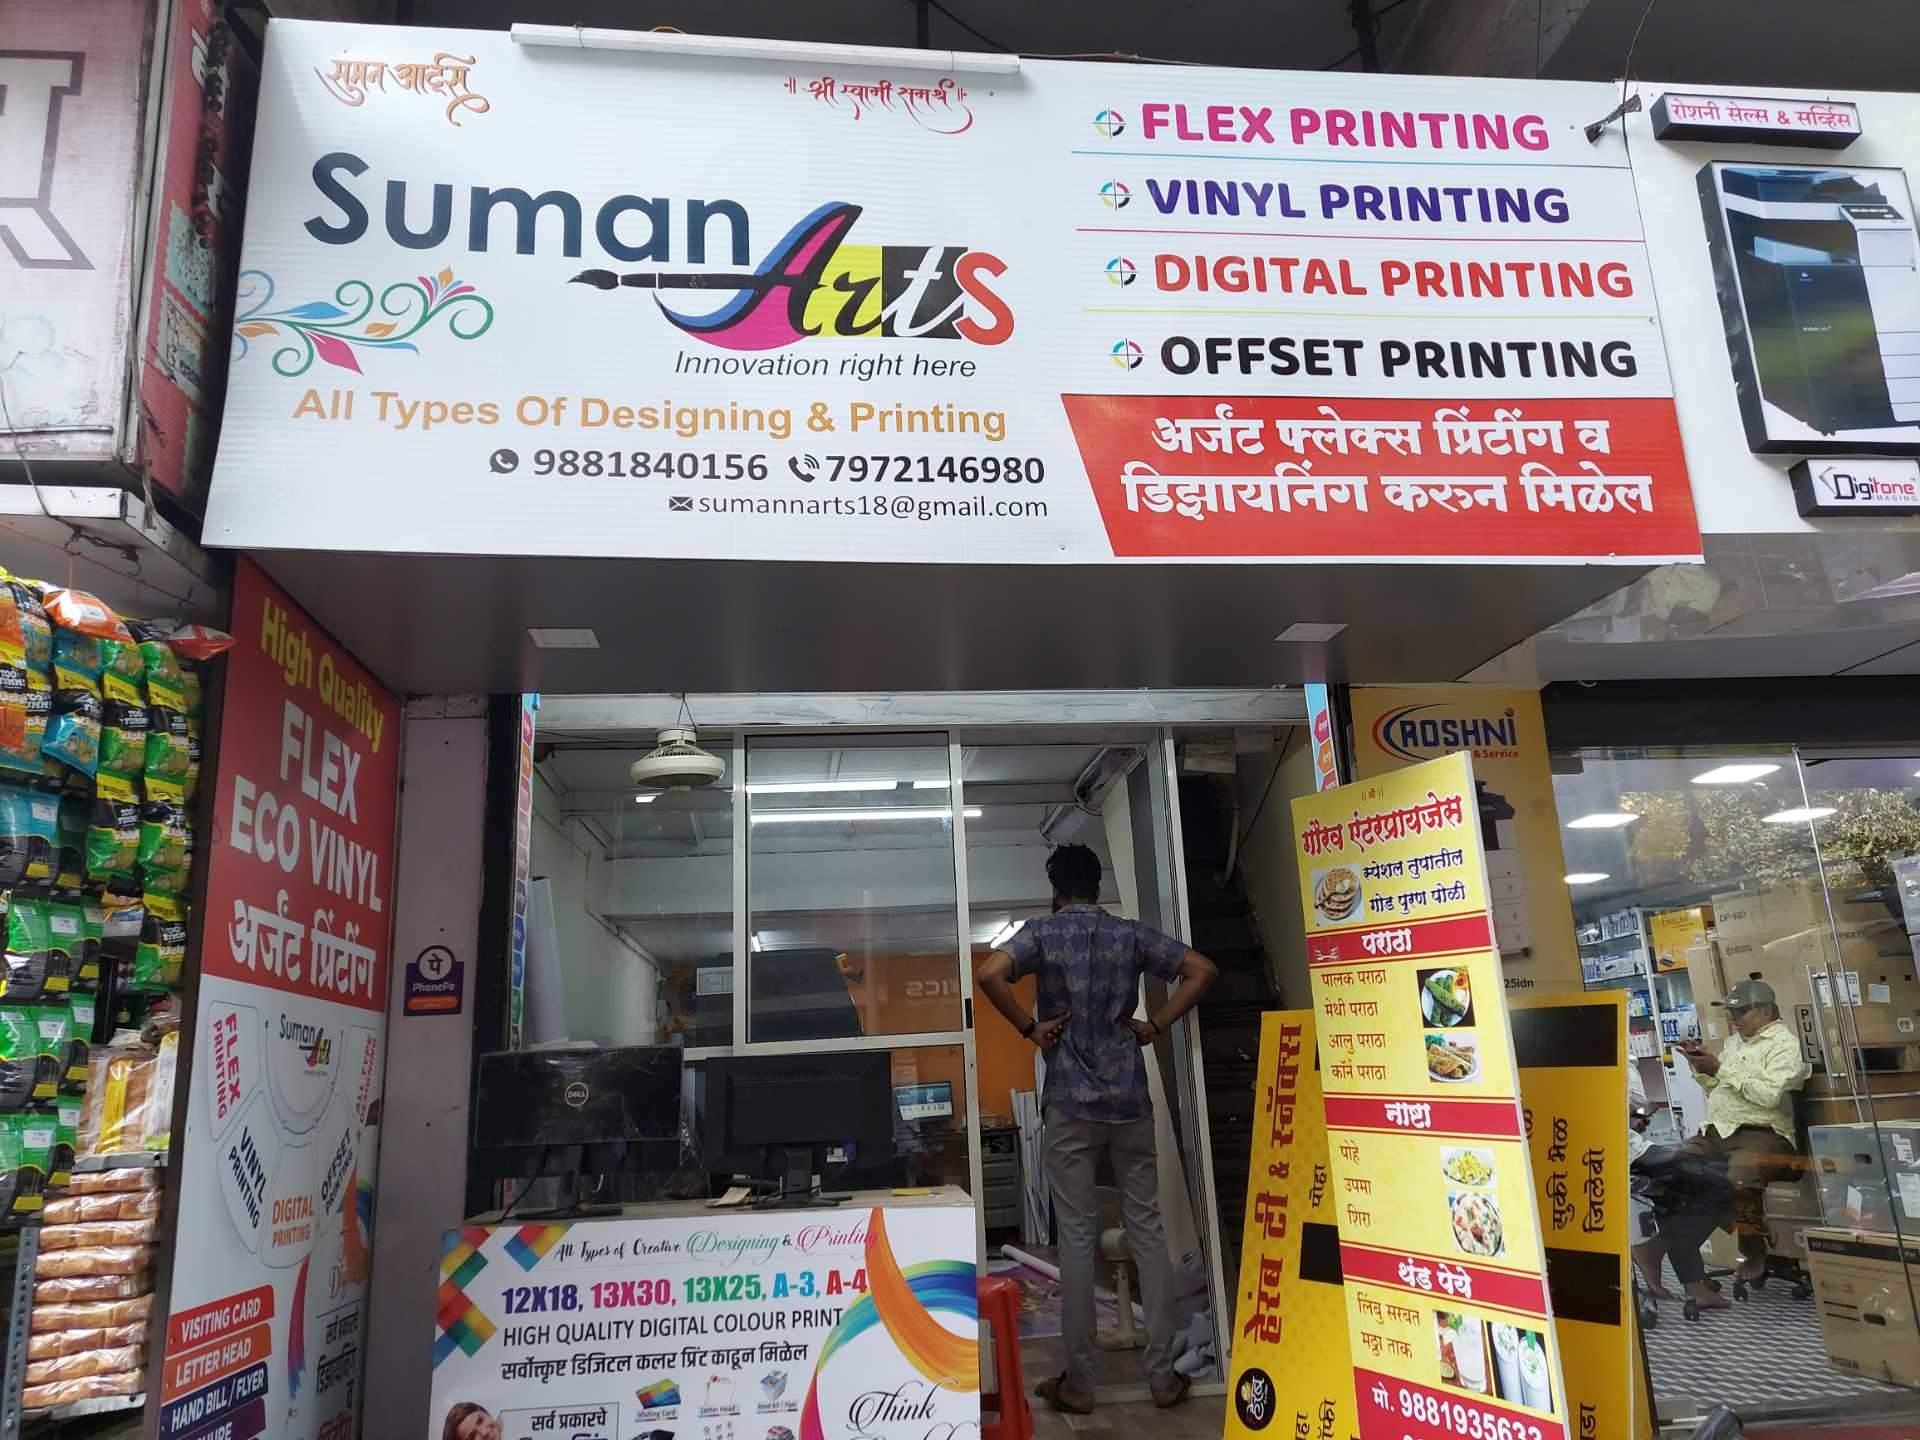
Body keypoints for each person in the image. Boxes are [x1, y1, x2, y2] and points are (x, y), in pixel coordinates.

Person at [974, 843, 1218, 1416]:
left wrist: (1030, 1027)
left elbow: (989, 973)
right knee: (1148, 1232)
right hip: (1129, 1102)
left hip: (1070, 1107)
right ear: (1098, 885)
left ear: (1056, 889)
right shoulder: (1129, 935)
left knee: (1078, 1240)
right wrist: (1157, 1023)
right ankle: (1163, 1377)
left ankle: (1080, 1383)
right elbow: (1202, 970)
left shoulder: (1042, 934)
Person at [1636, 979, 1808, 1310]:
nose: (1734, 1019)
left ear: (1766, 1011)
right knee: (1670, 1173)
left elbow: (1769, 1096)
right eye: (1731, 1012)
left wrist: (1721, 1068)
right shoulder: (1733, 1044)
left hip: (1763, 1134)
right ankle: (1682, 1270)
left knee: (1735, 1179)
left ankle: (1751, 1248)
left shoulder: (1785, 1046)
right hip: (1717, 1132)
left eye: (1741, 1012)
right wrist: (1702, 1069)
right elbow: (1719, 1090)